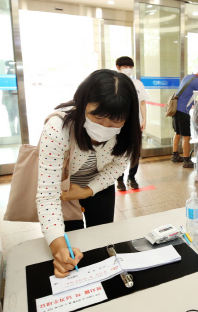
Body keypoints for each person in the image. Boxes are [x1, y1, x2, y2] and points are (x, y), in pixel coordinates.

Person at [36, 69, 141, 278]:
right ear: (82, 103)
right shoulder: (58, 129)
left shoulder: (128, 130)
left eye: (115, 121)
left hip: (99, 186)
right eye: (97, 117)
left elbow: (117, 166)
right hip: (63, 190)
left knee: (101, 238)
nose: (105, 127)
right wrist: (59, 249)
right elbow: (47, 195)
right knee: (70, 240)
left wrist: (87, 191)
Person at [114, 56, 148, 190]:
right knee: (119, 152)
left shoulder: (138, 83)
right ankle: (119, 179)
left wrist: (144, 119)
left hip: (136, 124)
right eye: (125, 67)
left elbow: (143, 103)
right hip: (119, 125)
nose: (128, 69)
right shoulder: (115, 83)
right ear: (118, 67)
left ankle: (132, 177)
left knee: (135, 153)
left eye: (130, 67)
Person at [172, 64, 198, 168]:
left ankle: (175, 155)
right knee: (186, 136)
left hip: (176, 109)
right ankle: (187, 161)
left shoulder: (188, 76)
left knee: (178, 133)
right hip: (183, 111)